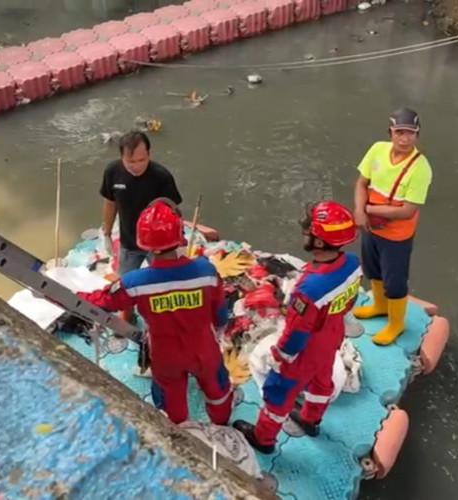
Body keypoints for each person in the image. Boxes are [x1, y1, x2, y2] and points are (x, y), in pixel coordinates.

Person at [77, 199, 233, 426]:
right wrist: (218, 327)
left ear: (144, 244)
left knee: (172, 403)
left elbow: (101, 302)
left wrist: (51, 292)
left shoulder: (134, 282)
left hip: (165, 353)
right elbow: (219, 312)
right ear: (180, 236)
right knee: (218, 392)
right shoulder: (205, 271)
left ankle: (181, 432)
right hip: (203, 348)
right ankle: (222, 427)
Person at [233, 201, 363, 454]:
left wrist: (280, 357)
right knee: (321, 382)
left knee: (278, 392)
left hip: (306, 348)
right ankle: (311, 419)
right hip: (333, 334)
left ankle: (263, 438)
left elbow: (296, 333)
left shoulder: (308, 289)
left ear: (319, 241)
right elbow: (349, 302)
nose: (304, 232)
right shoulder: (352, 264)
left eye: (308, 229)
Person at [352, 108, 433, 346]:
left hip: (396, 235)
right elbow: (361, 183)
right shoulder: (377, 149)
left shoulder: (420, 168)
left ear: (417, 135)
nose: (405, 138)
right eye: (400, 132)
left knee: (395, 281)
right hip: (371, 228)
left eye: (411, 133)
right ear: (390, 132)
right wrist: (358, 210)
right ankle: (379, 306)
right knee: (372, 269)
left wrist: (367, 210)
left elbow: (407, 210)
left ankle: (396, 323)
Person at [99, 130, 183, 322]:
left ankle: (159, 319)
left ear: (149, 155)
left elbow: (173, 211)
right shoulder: (112, 172)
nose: (137, 166)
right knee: (125, 284)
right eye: (131, 161)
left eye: (141, 160)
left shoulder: (161, 176)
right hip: (129, 242)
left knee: (162, 285)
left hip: (159, 247)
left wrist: (178, 241)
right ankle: (128, 316)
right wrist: (106, 231)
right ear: (121, 157)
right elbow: (109, 202)